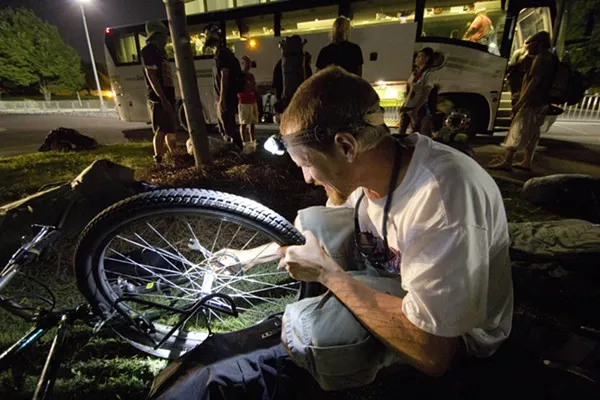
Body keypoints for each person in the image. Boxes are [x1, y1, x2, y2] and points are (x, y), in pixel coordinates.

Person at [152, 66, 514, 399]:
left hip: (455, 338)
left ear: (346, 145)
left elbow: (434, 352)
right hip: (396, 277)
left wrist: (330, 276)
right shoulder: (374, 163)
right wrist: (249, 258)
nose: (307, 177)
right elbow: (317, 231)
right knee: (314, 223)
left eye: (307, 164)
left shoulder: (442, 201)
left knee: (315, 334)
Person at [489, 31, 555, 171]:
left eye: (530, 44)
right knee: (533, 132)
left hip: (532, 102)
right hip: (542, 102)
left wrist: (519, 102)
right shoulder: (551, 58)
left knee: (516, 130)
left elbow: (534, 82)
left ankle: (507, 162)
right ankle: (526, 162)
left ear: (539, 44)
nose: (527, 47)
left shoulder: (542, 59)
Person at [140, 20, 177, 165]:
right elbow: (152, 76)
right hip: (158, 98)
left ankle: (173, 155)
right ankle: (159, 160)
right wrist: (162, 98)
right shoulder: (148, 51)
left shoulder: (162, 52)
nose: (166, 39)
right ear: (156, 35)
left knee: (170, 128)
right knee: (161, 129)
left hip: (168, 95)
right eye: (164, 36)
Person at [203, 23, 243, 149]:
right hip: (225, 97)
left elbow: (224, 76)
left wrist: (222, 99)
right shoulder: (223, 53)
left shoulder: (222, 54)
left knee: (228, 128)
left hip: (226, 97)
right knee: (226, 126)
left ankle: (236, 153)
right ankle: (235, 151)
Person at [399, 47, 436, 137]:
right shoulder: (414, 73)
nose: (416, 58)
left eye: (420, 56)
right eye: (417, 56)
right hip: (408, 106)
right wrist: (404, 104)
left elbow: (426, 93)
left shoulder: (428, 74)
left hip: (418, 108)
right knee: (401, 132)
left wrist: (417, 108)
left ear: (427, 59)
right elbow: (409, 89)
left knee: (418, 133)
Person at [237, 55, 258, 153]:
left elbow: (253, 86)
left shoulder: (251, 76)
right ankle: (243, 141)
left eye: (249, 63)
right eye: (246, 63)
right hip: (244, 100)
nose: (249, 65)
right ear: (242, 64)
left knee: (252, 122)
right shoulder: (240, 76)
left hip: (252, 100)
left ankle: (252, 140)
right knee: (244, 122)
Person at [506, 42, 534, 107]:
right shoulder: (534, 56)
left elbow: (511, 64)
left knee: (515, 94)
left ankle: (514, 108)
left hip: (515, 77)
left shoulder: (518, 52)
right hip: (525, 78)